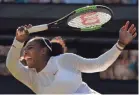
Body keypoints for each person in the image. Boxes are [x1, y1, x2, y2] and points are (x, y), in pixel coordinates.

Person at [6, 21, 137, 94]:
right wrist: (18, 41)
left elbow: (99, 64)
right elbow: (11, 65)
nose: (25, 52)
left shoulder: (65, 60)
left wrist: (120, 44)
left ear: (43, 51)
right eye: (24, 49)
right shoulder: (30, 77)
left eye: (30, 48)